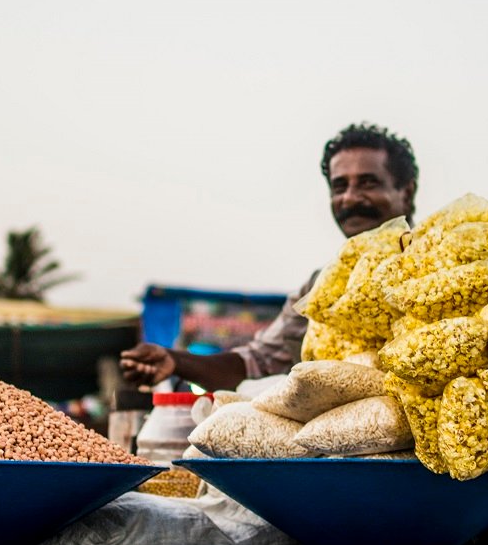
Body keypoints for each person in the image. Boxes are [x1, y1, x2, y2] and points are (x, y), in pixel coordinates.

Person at [120, 122, 418, 392]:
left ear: (406, 192)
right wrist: (176, 361)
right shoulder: (320, 288)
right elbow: (258, 362)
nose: (350, 198)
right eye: (340, 186)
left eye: (368, 183)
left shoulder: (436, 263)